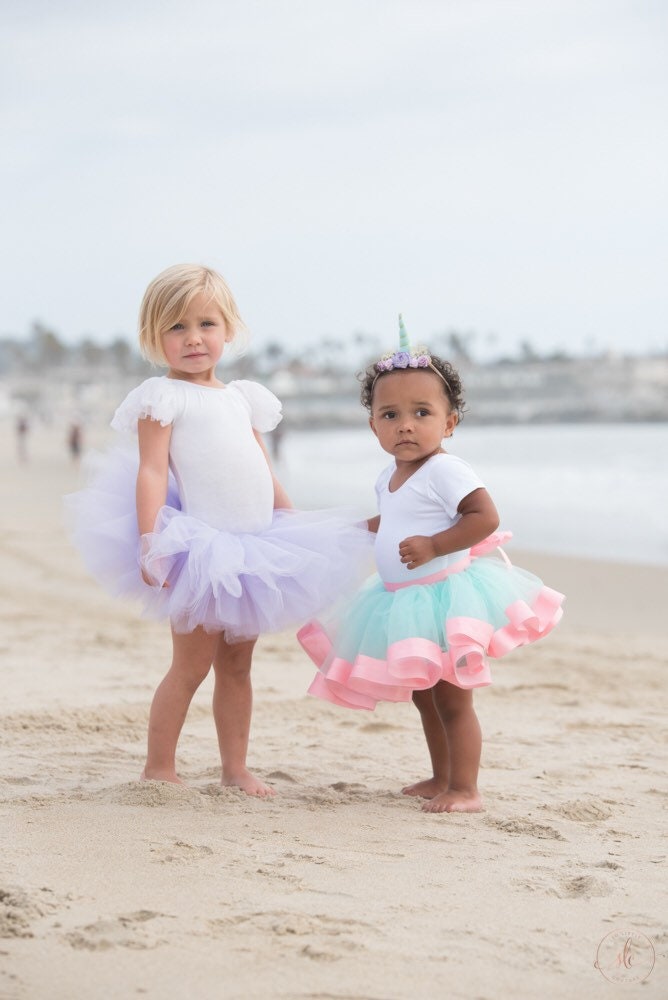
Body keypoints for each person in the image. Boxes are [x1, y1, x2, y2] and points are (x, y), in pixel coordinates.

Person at [66, 263, 371, 795]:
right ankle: (159, 766)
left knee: (238, 667)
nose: (193, 339)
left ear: (228, 330)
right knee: (190, 666)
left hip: (255, 549)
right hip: (203, 553)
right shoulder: (163, 398)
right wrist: (150, 540)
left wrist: (292, 523)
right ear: (154, 337)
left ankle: (235, 768)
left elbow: (261, 470)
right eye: (176, 328)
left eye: (206, 324)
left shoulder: (241, 398)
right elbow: (153, 471)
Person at [298, 317, 564, 813]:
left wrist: (436, 545)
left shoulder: (447, 469)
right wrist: (363, 530)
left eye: (421, 412)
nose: (405, 425)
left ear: (448, 423)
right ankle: (442, 776)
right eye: (390, 414)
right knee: (426, 695)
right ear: (373, 424)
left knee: (454, 699)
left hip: (444, 597)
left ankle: (466, 787)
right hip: (403, 600)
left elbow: (484, 517)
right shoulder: (390, 476)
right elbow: (396, 518)